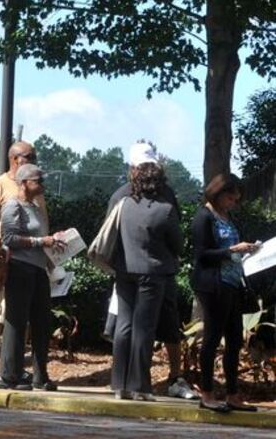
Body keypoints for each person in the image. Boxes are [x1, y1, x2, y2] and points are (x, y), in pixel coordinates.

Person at [103, 142, 197, 400]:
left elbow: (111, 234)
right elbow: (178, 243)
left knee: (124, 325)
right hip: (155, 272)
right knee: (144, 328)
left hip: (124, 269)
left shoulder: (121, 200)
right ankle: (140, 386)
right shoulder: (166, 205)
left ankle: (119, 385)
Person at [0, 140, 44, 382]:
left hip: (30, 264)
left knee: (20, 317)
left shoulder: (35, 187)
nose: (34, 160)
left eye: (34, 156)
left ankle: (14, 366)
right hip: (4, 263)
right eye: (29, 156)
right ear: (14, 159)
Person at [191, 174, 259, 413]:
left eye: (236, 200)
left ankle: (232, 394)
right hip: (213, 284)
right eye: (230, 198)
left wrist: (246, 251)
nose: (233, 203)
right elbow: (202, 254)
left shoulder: (227, 218)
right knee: (211, 338)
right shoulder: (203, 217)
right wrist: (232, 250)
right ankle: (207, 393)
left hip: (232, 283)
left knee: (234, 339)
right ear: (218, 193)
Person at [0, 164, 64, 391]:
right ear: (24, 183)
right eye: (38, 181)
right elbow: (9, 238)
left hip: (38, 269)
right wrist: (40, 241)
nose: (42, 185)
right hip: (19, 268)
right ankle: (9, 375)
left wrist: (53, 240)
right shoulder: (12, 205)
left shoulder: (35, 207)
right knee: (16, 322)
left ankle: (40, 375)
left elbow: (39, 236)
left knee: (41, 322)